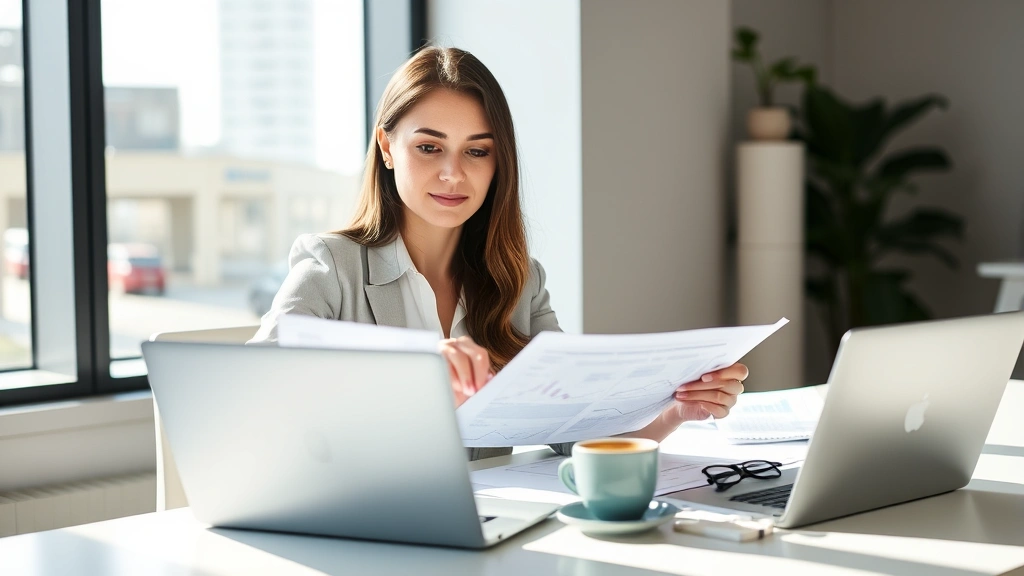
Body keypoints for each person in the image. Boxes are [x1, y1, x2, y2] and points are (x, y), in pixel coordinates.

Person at [250, 45, 748, 459]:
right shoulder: (331, 264)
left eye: (477, 150)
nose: (453, 173)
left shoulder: (520, 281)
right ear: (386, 147)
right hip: (360, 523)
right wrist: (412, 371)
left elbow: (577, 432)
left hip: (491, 528)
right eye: (429, 147)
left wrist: (677, 412)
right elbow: (255, 391)